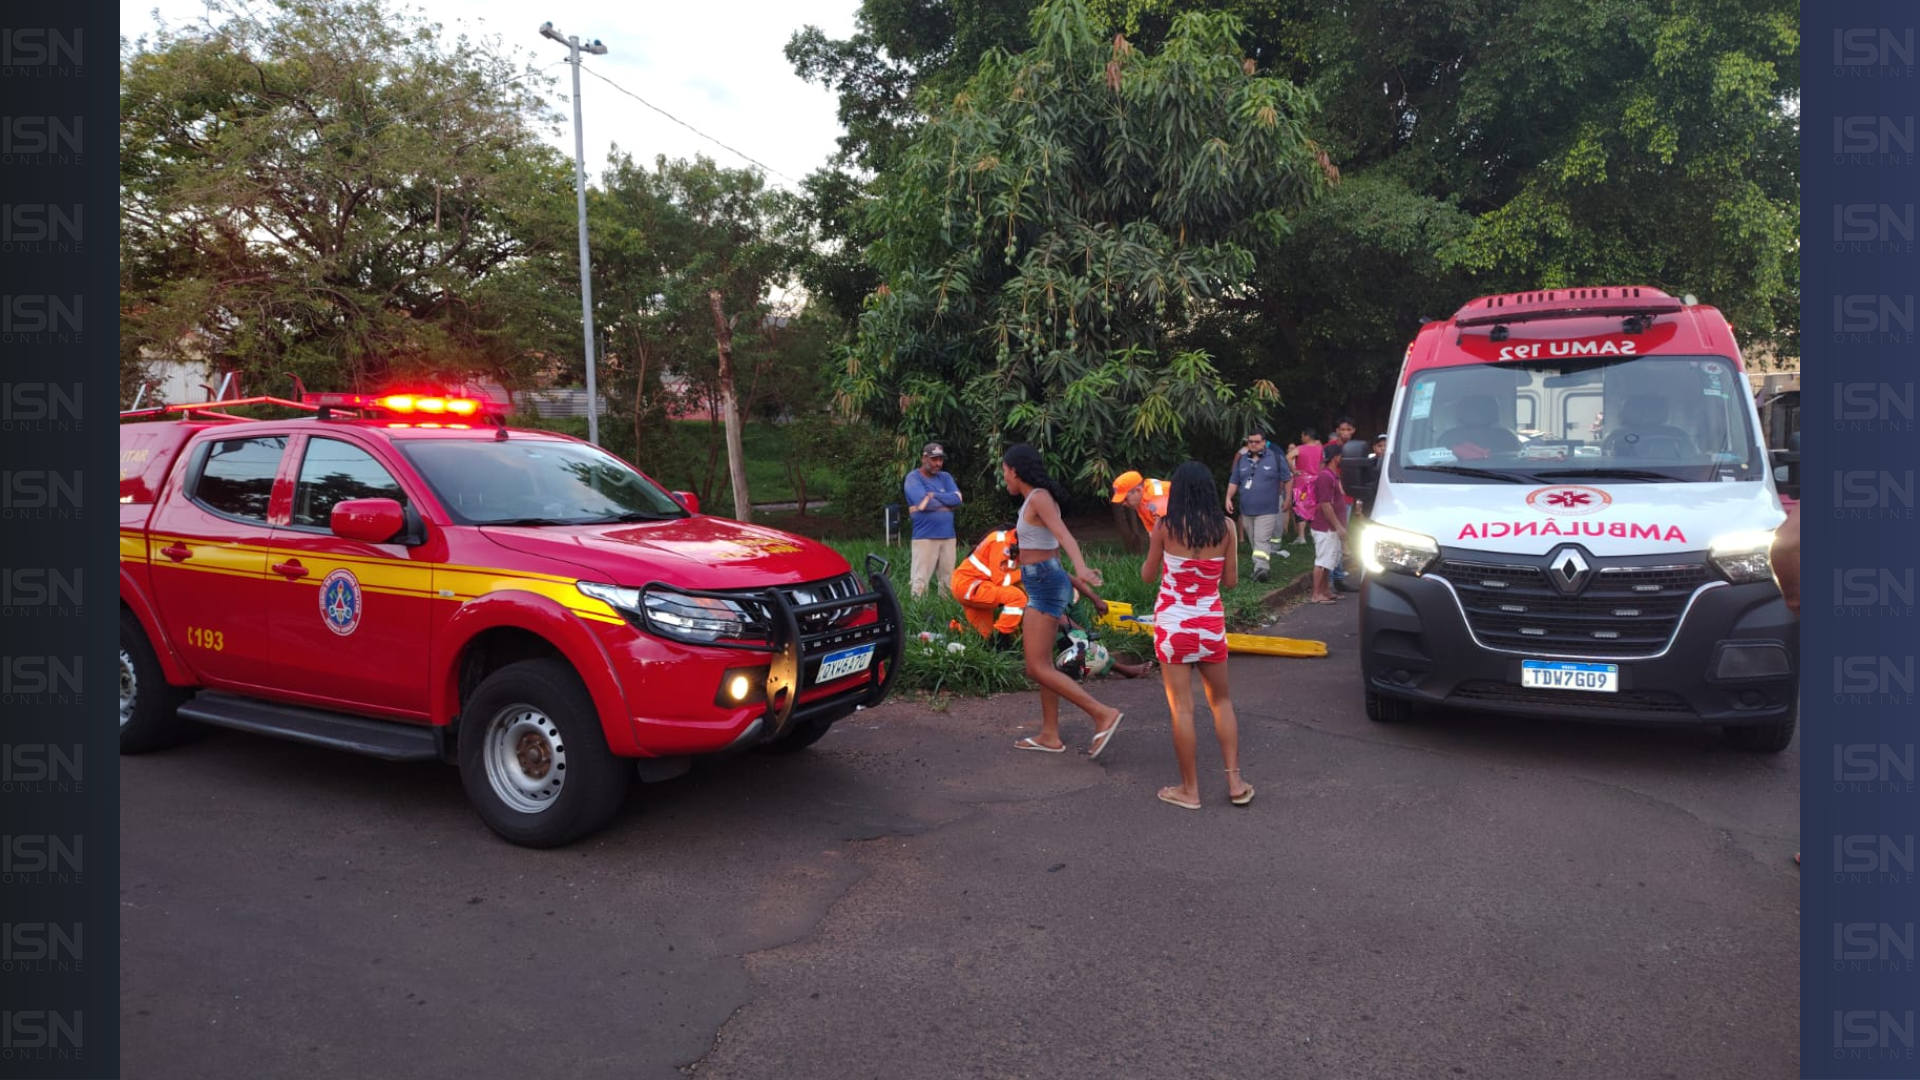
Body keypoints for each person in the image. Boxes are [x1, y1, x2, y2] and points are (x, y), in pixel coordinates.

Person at [1003, 444, 1126, 756]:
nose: (1004, 476)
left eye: (1005, 470)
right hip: (1045, 579)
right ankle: (1049, 734)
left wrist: (1082, 568)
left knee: (1034, 666)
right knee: (1043, 663)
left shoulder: (1040, 498)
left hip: (1044, 583)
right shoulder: (1036, 499)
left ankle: (1102, 713)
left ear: (1015, 471)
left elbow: (1065, 536)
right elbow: (1052, 549)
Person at [1143, 460, 1252, 809]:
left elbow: (1147, 575)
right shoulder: (1227, 528)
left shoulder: (1165, 526)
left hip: (1174, 626)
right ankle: (1235, 781)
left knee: (1183, 710)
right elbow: (1231, 581)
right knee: (1221, 702)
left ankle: (1189, 790)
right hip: (1209, 625)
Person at [948, 526, 1153, 679]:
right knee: (998, 631)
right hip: (1039, 610)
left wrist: (1094, 599)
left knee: (1071, 631)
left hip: (1059, 610)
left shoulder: (1030, 557)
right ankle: (1003, 642)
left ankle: (1108, 663)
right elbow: (1007, 582)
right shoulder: (1013, 552)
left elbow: (1060, 575)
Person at [1224, 429, 1291, 581]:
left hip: (1267, 509)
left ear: (1263, 442)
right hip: (1247, 509)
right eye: (1250, 442)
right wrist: (1228, 497)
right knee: (1255, 540)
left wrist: (1288, 499)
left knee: (1262, 539)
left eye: (1257, 441)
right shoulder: (1242, 460)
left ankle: (1262, 569)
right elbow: (1234, 480)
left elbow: (1287, 478)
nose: (1253, 444)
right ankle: (1259, 566)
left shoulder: (1275, 457)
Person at [904, 442, 963, 597]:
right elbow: (923, 502)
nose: (938, 463)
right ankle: (917, 616)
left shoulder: (946, 477)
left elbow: (957, 499)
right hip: (925, 536)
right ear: (924, 459)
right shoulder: (913, 478)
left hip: (948, 536)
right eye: (934, 459)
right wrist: (945, 502)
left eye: (940, 460)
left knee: (948, 580)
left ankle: (946, 616)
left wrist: (934, 495)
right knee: (920, 580)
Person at [1298, 443, 1348, 604]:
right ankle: (1317, 594)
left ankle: (1325, 591)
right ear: (1336, 458)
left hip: (1329, 527)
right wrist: (1338, 526)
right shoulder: (1326, 476)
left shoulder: (1331, 475)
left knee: (1328, 561)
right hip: (1325, 527)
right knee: (1322, 561)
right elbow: (1325, 504)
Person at [1111, 470, 1170, 534]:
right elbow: (1152, 531)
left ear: (1138, 490)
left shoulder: (1156, 495)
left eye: (1125, 499)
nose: (1124, 503)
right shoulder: (1140, 499)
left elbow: (1168, 531)